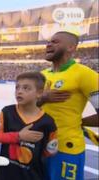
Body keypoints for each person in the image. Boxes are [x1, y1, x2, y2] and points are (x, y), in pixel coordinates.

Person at [38, 31, 99, 180]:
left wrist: (80, 122)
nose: (48, 44)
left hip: (66, 148)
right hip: (38, 145)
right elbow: (25, 108)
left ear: (71, 47)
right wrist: (43, 98)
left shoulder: (85, 74)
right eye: (48, 41)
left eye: (55, 42)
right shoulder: (41, 75)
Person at [0, 72, 58, 180]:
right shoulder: (7, 112)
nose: (20, 91)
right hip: (6, 174)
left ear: (39, 93)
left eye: (26, 88)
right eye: (17, 88)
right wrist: (19, 136)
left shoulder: (48, 122)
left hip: (33, 175)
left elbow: (50, 151)